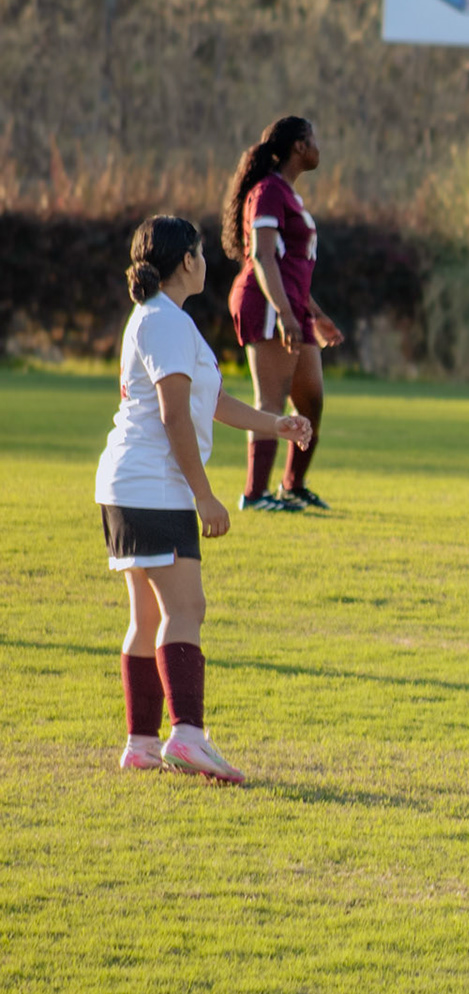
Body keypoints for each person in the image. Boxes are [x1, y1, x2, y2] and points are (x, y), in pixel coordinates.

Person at [97, 216, 313, 784]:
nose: (205, 259)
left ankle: (142, 743)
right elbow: (172, 414)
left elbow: (207, 402)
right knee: (186, 610)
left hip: (127, 485)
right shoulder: (166, 323)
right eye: (199, 250)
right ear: (187, 262)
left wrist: (275, 424)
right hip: (155, 487)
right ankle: (187, 737)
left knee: (147, 617)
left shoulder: (163, 320)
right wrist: (205, 495)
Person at [220, 114, 344, 512]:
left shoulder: (287, 193)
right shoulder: (269, 191)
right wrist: (286, 314)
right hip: (267, 303)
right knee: (270, 401)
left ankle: (292, 485)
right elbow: (262, 256)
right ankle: (255, 495)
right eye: (314, 139)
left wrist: (314, 314)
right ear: (298, 147)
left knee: (311, 402)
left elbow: (292, 268)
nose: (319, 147)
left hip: (290, 306)